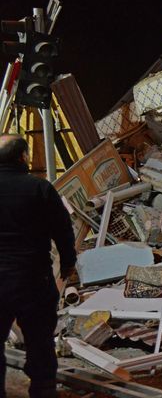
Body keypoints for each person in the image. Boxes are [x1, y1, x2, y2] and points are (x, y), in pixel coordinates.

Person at [0, 134, 76, 398]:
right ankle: (43, 391)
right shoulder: (39, 188)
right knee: (40, 344)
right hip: (32, 281)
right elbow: (64, 230)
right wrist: (68, 263)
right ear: (23, 157)